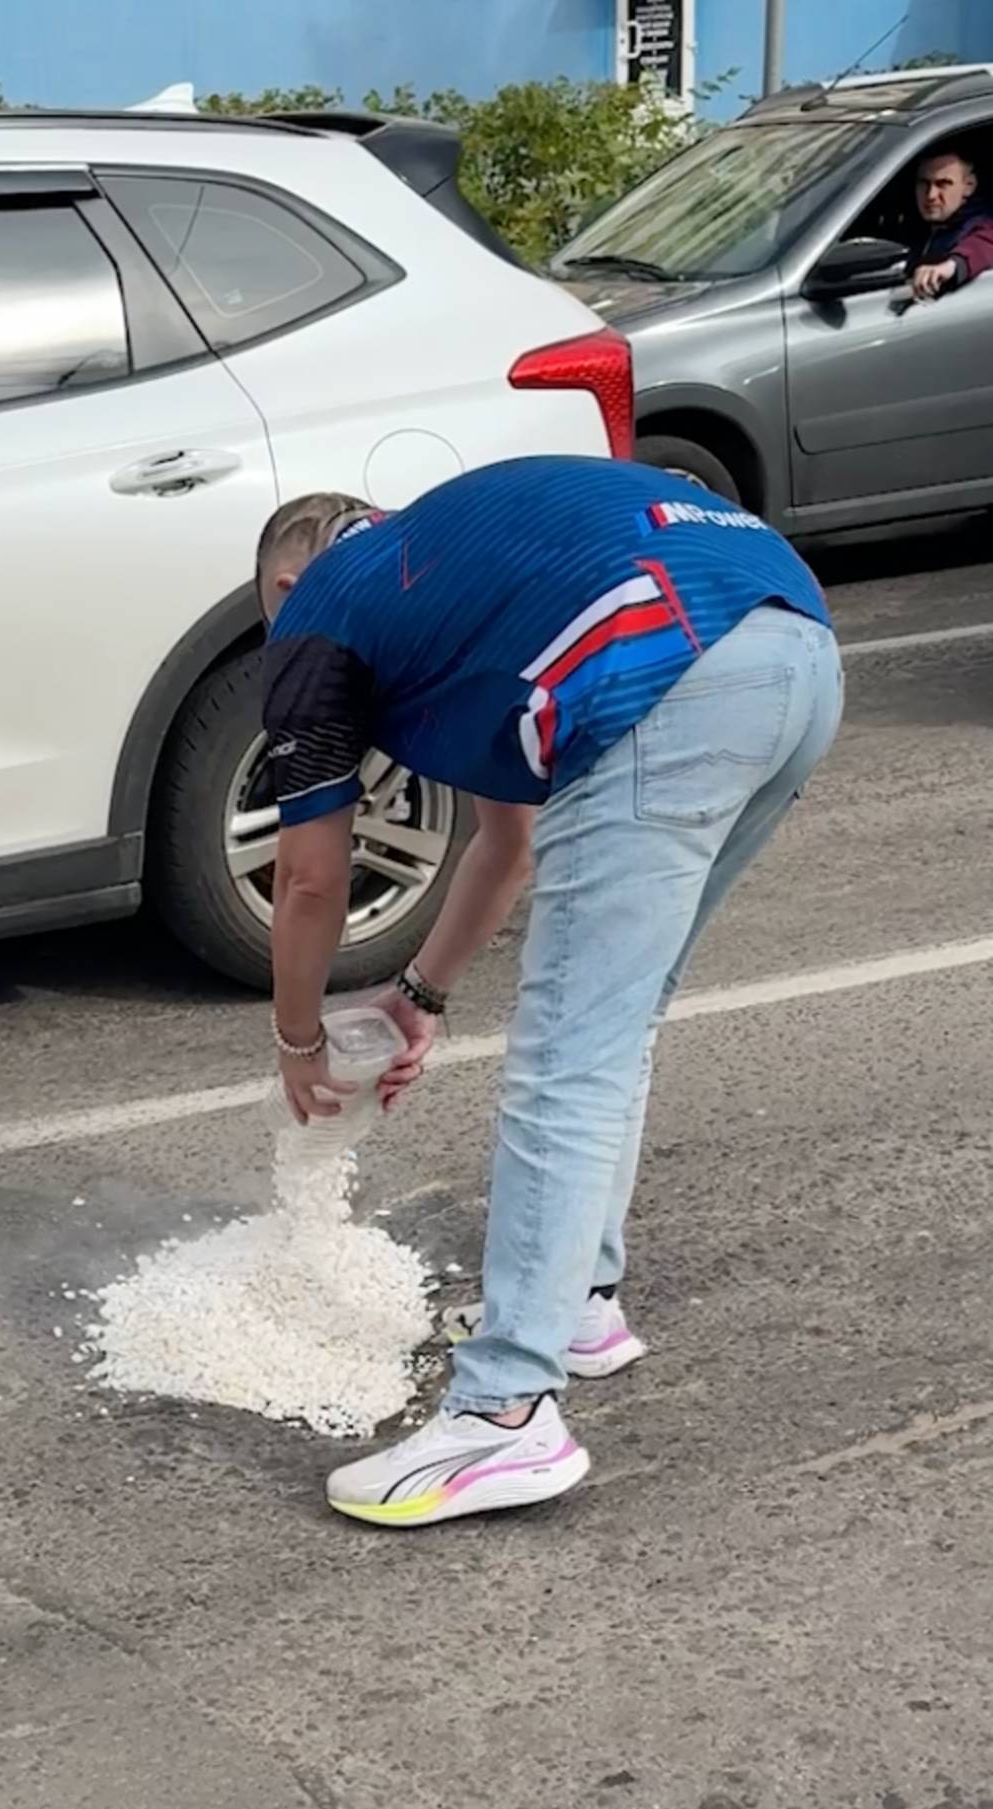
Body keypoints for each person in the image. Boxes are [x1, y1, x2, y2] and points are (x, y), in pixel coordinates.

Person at [259, 456, 842, 1528]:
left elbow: (308, 877)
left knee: (566, 1058)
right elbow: (505, 840)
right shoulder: (449, 579)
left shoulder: (322, 606)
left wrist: (299, 1041)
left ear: (285, 587)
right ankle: (578, 1304)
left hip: (675, 678)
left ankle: (503, 1415)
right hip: (797, 647)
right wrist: (418, 997)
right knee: (613, 1026)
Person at [908, 145, 993, 301]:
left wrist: (950, 266)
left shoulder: (980, 224)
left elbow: (986, 243)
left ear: (969, 186)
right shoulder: (908, 224)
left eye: (943, 184)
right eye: (924, 183)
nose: (931, 195)